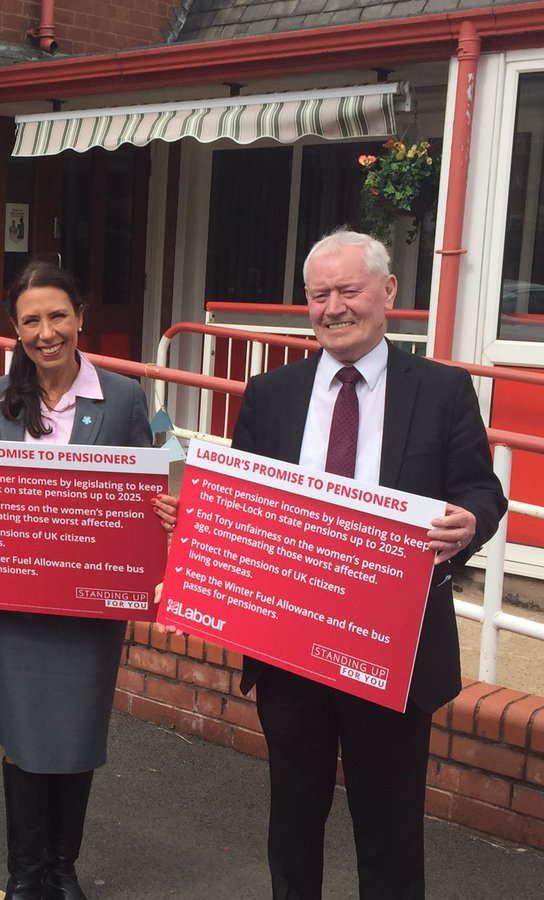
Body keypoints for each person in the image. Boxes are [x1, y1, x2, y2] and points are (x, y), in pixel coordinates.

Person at [227, 229, 506, 897]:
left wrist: (469, 523)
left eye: (348, 290)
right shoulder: (271, 394)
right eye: (318, 295)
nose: (333, 308)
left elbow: (479, 490)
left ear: (387, 291)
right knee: (293, 823)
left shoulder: (442, 390)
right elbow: (241, 503)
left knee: (389, 828)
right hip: (291, 648)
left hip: (394, 650)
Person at [0, 260, 168, 900]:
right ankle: (24, 874)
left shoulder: (128, 398)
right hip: (19, 605)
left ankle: (61, 868)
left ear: (80, 317)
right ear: (16, 329)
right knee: (23, 740)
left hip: (89, 606)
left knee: (77, 736)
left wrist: (170, 510)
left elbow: (161, 473)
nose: (45, 332)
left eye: (57, 316)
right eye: (31, 320)